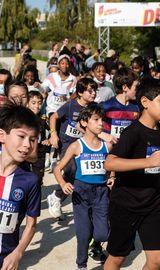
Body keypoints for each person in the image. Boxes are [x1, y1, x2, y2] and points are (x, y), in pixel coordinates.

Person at [103, 78, 160, 270]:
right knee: (117, 259)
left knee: (157, 261)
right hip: (125, 205)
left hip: (152, 204)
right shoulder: (132, 132)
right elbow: (109, 162)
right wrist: (148, 162)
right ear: (145, 102)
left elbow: (151, 158)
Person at [54, 103, 113, 270]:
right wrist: (63, 183)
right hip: (81, 191)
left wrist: (113, 177)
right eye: (96, 120)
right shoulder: (76, 146)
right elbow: (57, 168)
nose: (101, 123)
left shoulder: (107, 146)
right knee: (83, 234)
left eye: (102, 120)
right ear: (85, 122)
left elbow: (112, 165)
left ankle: (95, 245)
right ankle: (81, 264)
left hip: (101, 192)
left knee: (102, 233)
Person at [47, 78, 97, 218]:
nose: (93, 93)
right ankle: (57, 197)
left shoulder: (93, 107)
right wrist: (53, 134)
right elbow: (53, 117)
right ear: (80, 92)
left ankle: (58, 197)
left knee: (81, 174)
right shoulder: (70, 106)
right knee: (71, 169)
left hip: (84, 144)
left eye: (94, 90)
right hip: (67, 143)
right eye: (90, 90)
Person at [0, 103, 41, 269]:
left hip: (5, 259)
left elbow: (31, 224)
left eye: (32, 139)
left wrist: (18, 253)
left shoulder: (29, 181)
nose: (27, 145)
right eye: (21, 136)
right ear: (2, 135)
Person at [102, 67, 139, 141]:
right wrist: (102, 135)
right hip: (109, 150)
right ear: (125, 87)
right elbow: (83, 125)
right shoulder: (106, 106)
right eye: (136, 87)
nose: (138, 90)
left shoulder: (137, 107)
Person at [27, 91, 50, 185]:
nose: (37, 106)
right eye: (33, 103)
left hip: (39, 152)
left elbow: (53, 129)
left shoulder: (43, 118)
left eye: (40, 103)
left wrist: (49, 140)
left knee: (38, 178)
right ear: (27, 103)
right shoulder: (22, 117)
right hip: (24, 152)